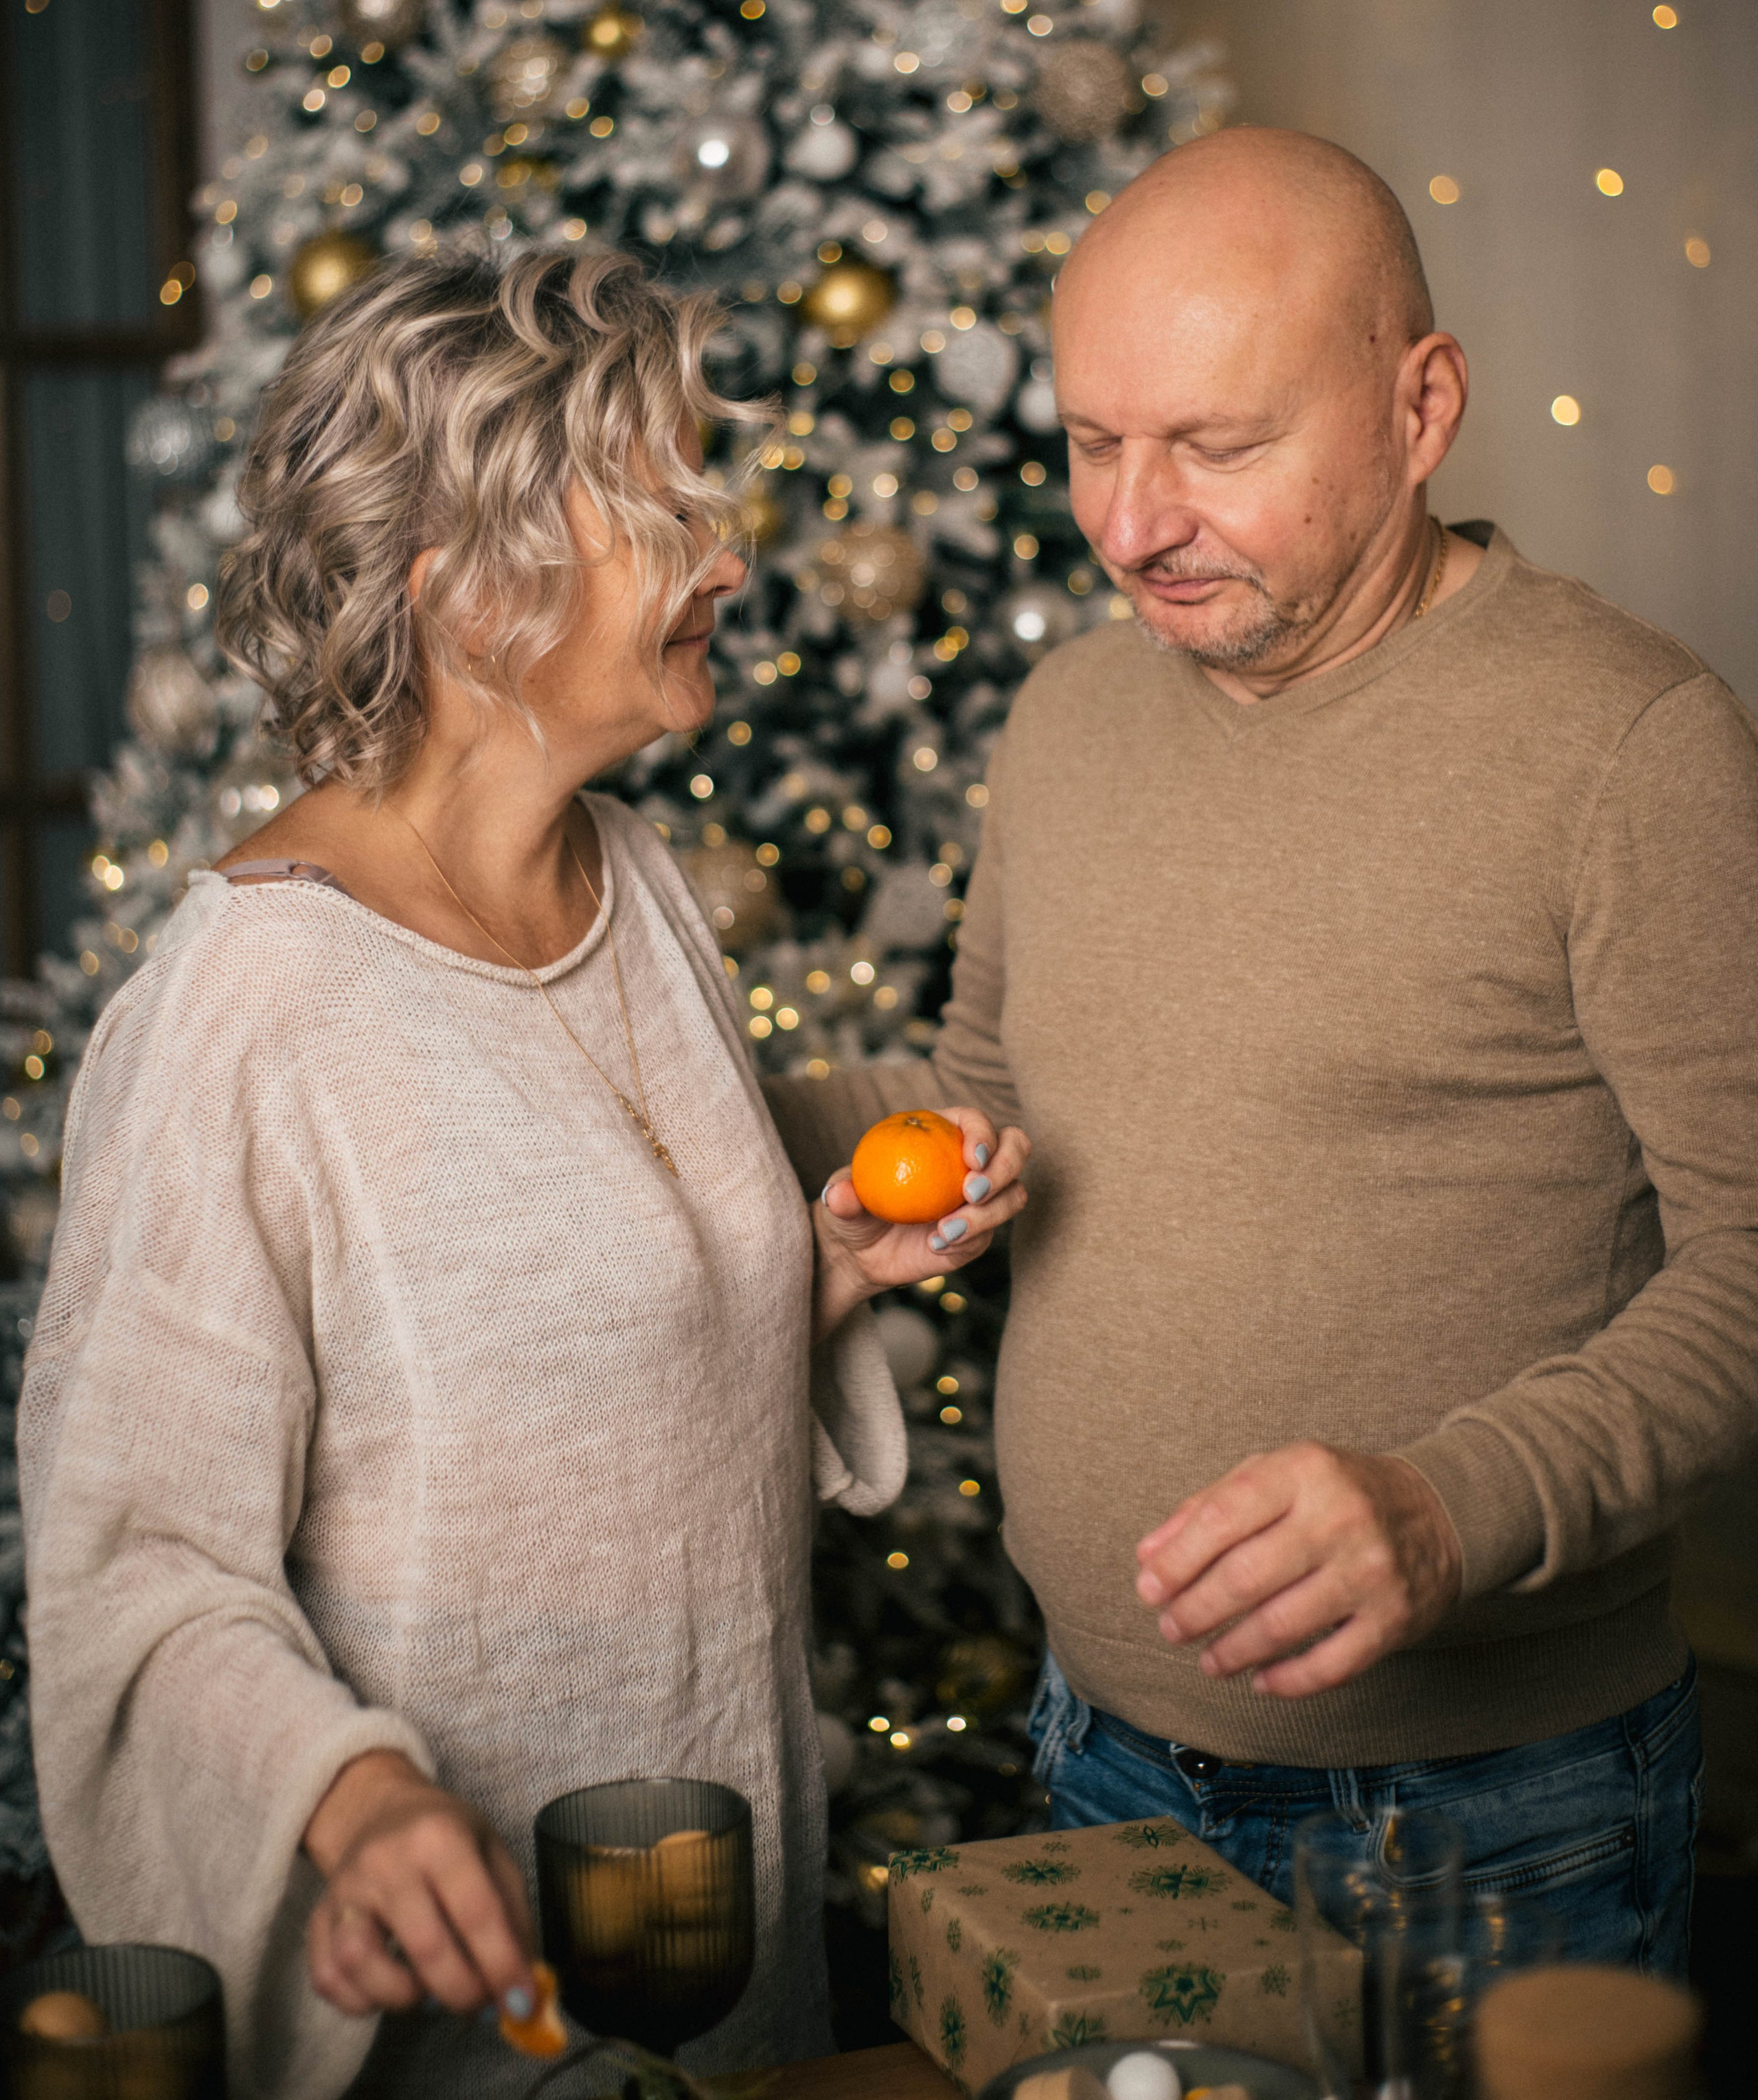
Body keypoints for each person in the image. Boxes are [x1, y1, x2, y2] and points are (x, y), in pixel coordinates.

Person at [19, 250, 1029, 2100]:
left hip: (727, 1952)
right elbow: (136, 1574)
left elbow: (577, 1356)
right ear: (472, 590)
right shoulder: (246, 1012)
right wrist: (355, 1790)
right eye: (664, 506)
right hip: (466, 2023)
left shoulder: (635, 881)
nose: (728, 555)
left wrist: (811, 1268)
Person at [773, 128, 1758, 1975]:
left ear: (1422, 406)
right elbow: (980, 1089)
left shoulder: (1634, 748)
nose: (1134, 522)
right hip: (1092, 1749)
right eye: (1091, 441)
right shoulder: (1068, 712)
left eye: (1221, 446)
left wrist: (1454, 1508)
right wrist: (682, 1108)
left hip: (1493, 1808)